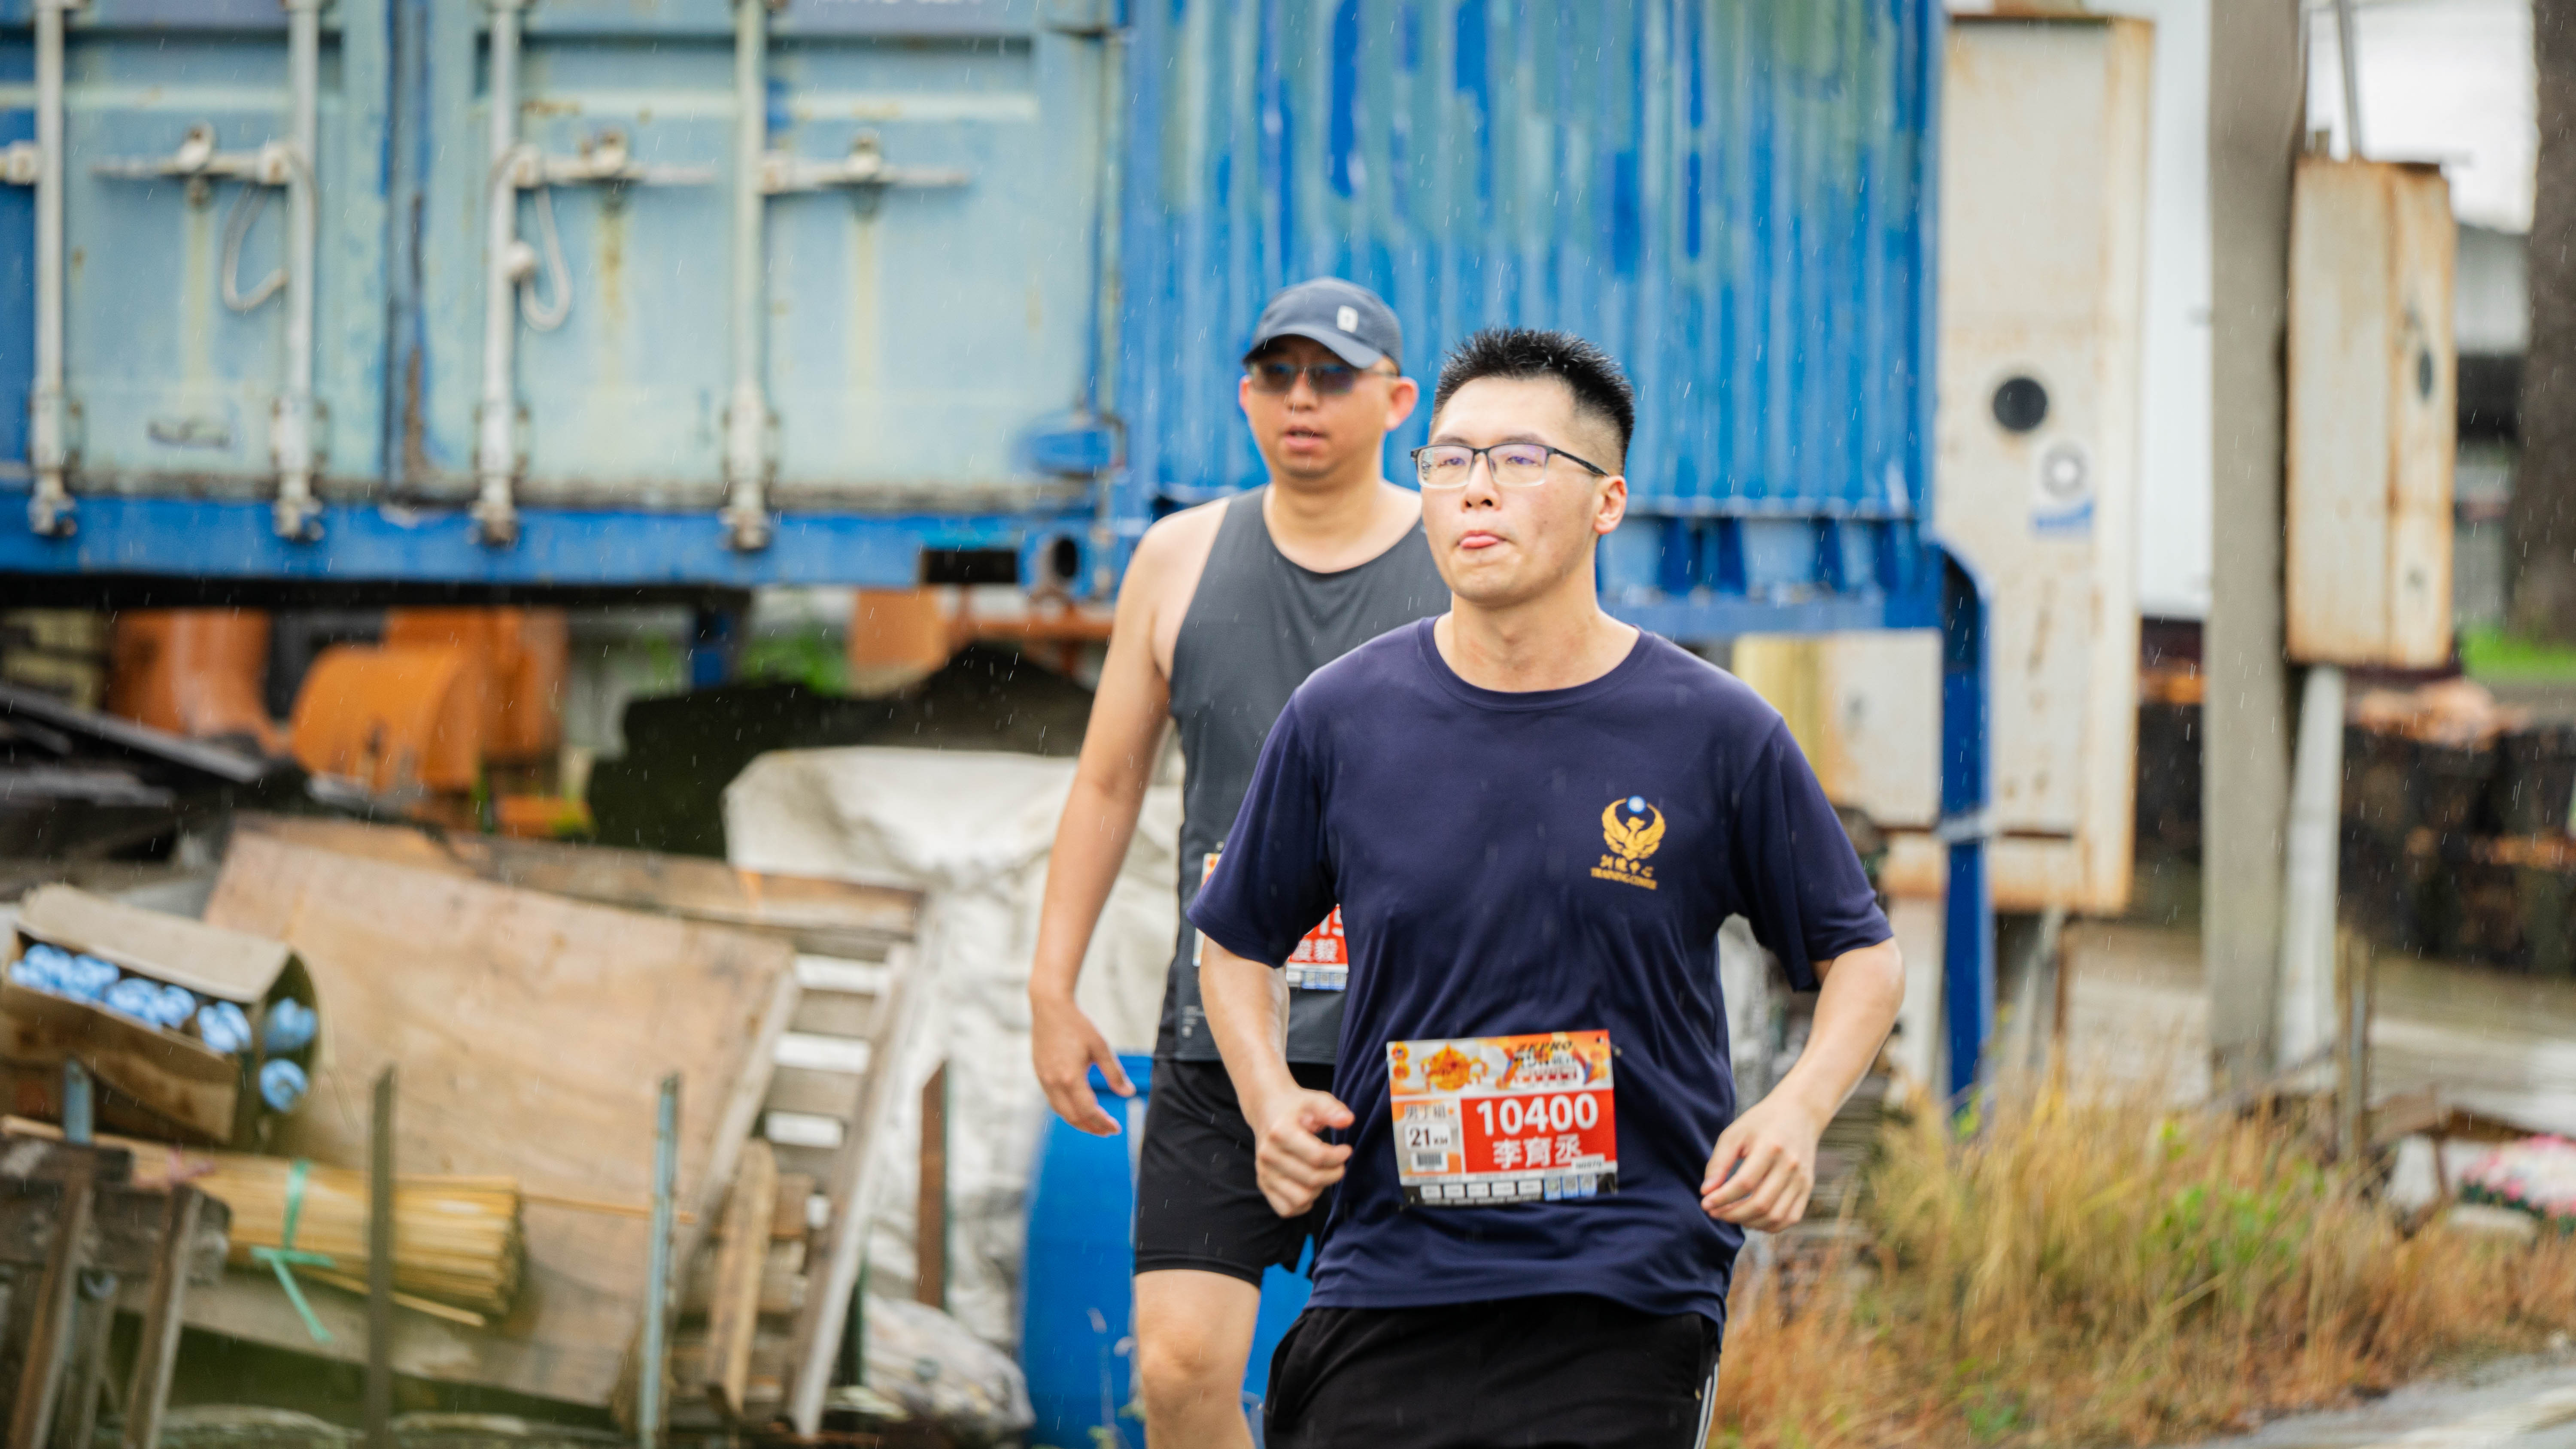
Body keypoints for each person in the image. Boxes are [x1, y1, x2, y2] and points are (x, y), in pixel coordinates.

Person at [1191, 327, 1907, 1449]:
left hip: (1624, 1282)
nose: (1476, 489)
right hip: (1389, 1269)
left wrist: (1798, 1110)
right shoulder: (1341, 717)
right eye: (1449, 460)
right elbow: (1236, 941)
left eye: (1521, 460)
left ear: (1607, 502)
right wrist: (1267, 1096)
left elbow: (1860, 952)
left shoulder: (1714, 731)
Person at [1024, 279, 1451, 1447]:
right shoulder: (1177, 559)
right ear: (1245, 394)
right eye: (1278, 374)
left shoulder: (1456, 555)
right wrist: (1051, 989)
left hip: (1416, 1040)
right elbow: (1107, 784)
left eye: (1334, 376)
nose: (1301, 398)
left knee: (1405, 1394)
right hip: (1219, 1031)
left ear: (1398, 401)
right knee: (1176, 1369)